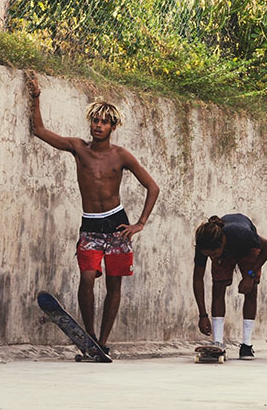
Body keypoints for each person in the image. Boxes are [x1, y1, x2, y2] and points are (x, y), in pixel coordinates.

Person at [26, 70, 160, 356]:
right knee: (87, 277)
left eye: (104, 122)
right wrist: (36, 96)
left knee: (114, 285)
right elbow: (40, 130)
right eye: (95, 121)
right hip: (90, 226)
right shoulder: (78, 147)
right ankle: (88, 337)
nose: (98, 126)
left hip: (117, 226)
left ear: (113, 127)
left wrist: (139, 223)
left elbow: (152, 187)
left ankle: (104, 341)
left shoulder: (121, 155)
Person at [193, 214, 267, 359]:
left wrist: (250, 275)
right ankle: (218, 342)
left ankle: (246, 345)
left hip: (247, 249)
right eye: (208, 255)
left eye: (214, 254)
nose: (212, 258)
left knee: (251, 290)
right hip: (225, 249)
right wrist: (202, 315)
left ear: (222, 243)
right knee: (218, 287)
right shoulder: (204, 244)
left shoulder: (242, 234)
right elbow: (198, 279)